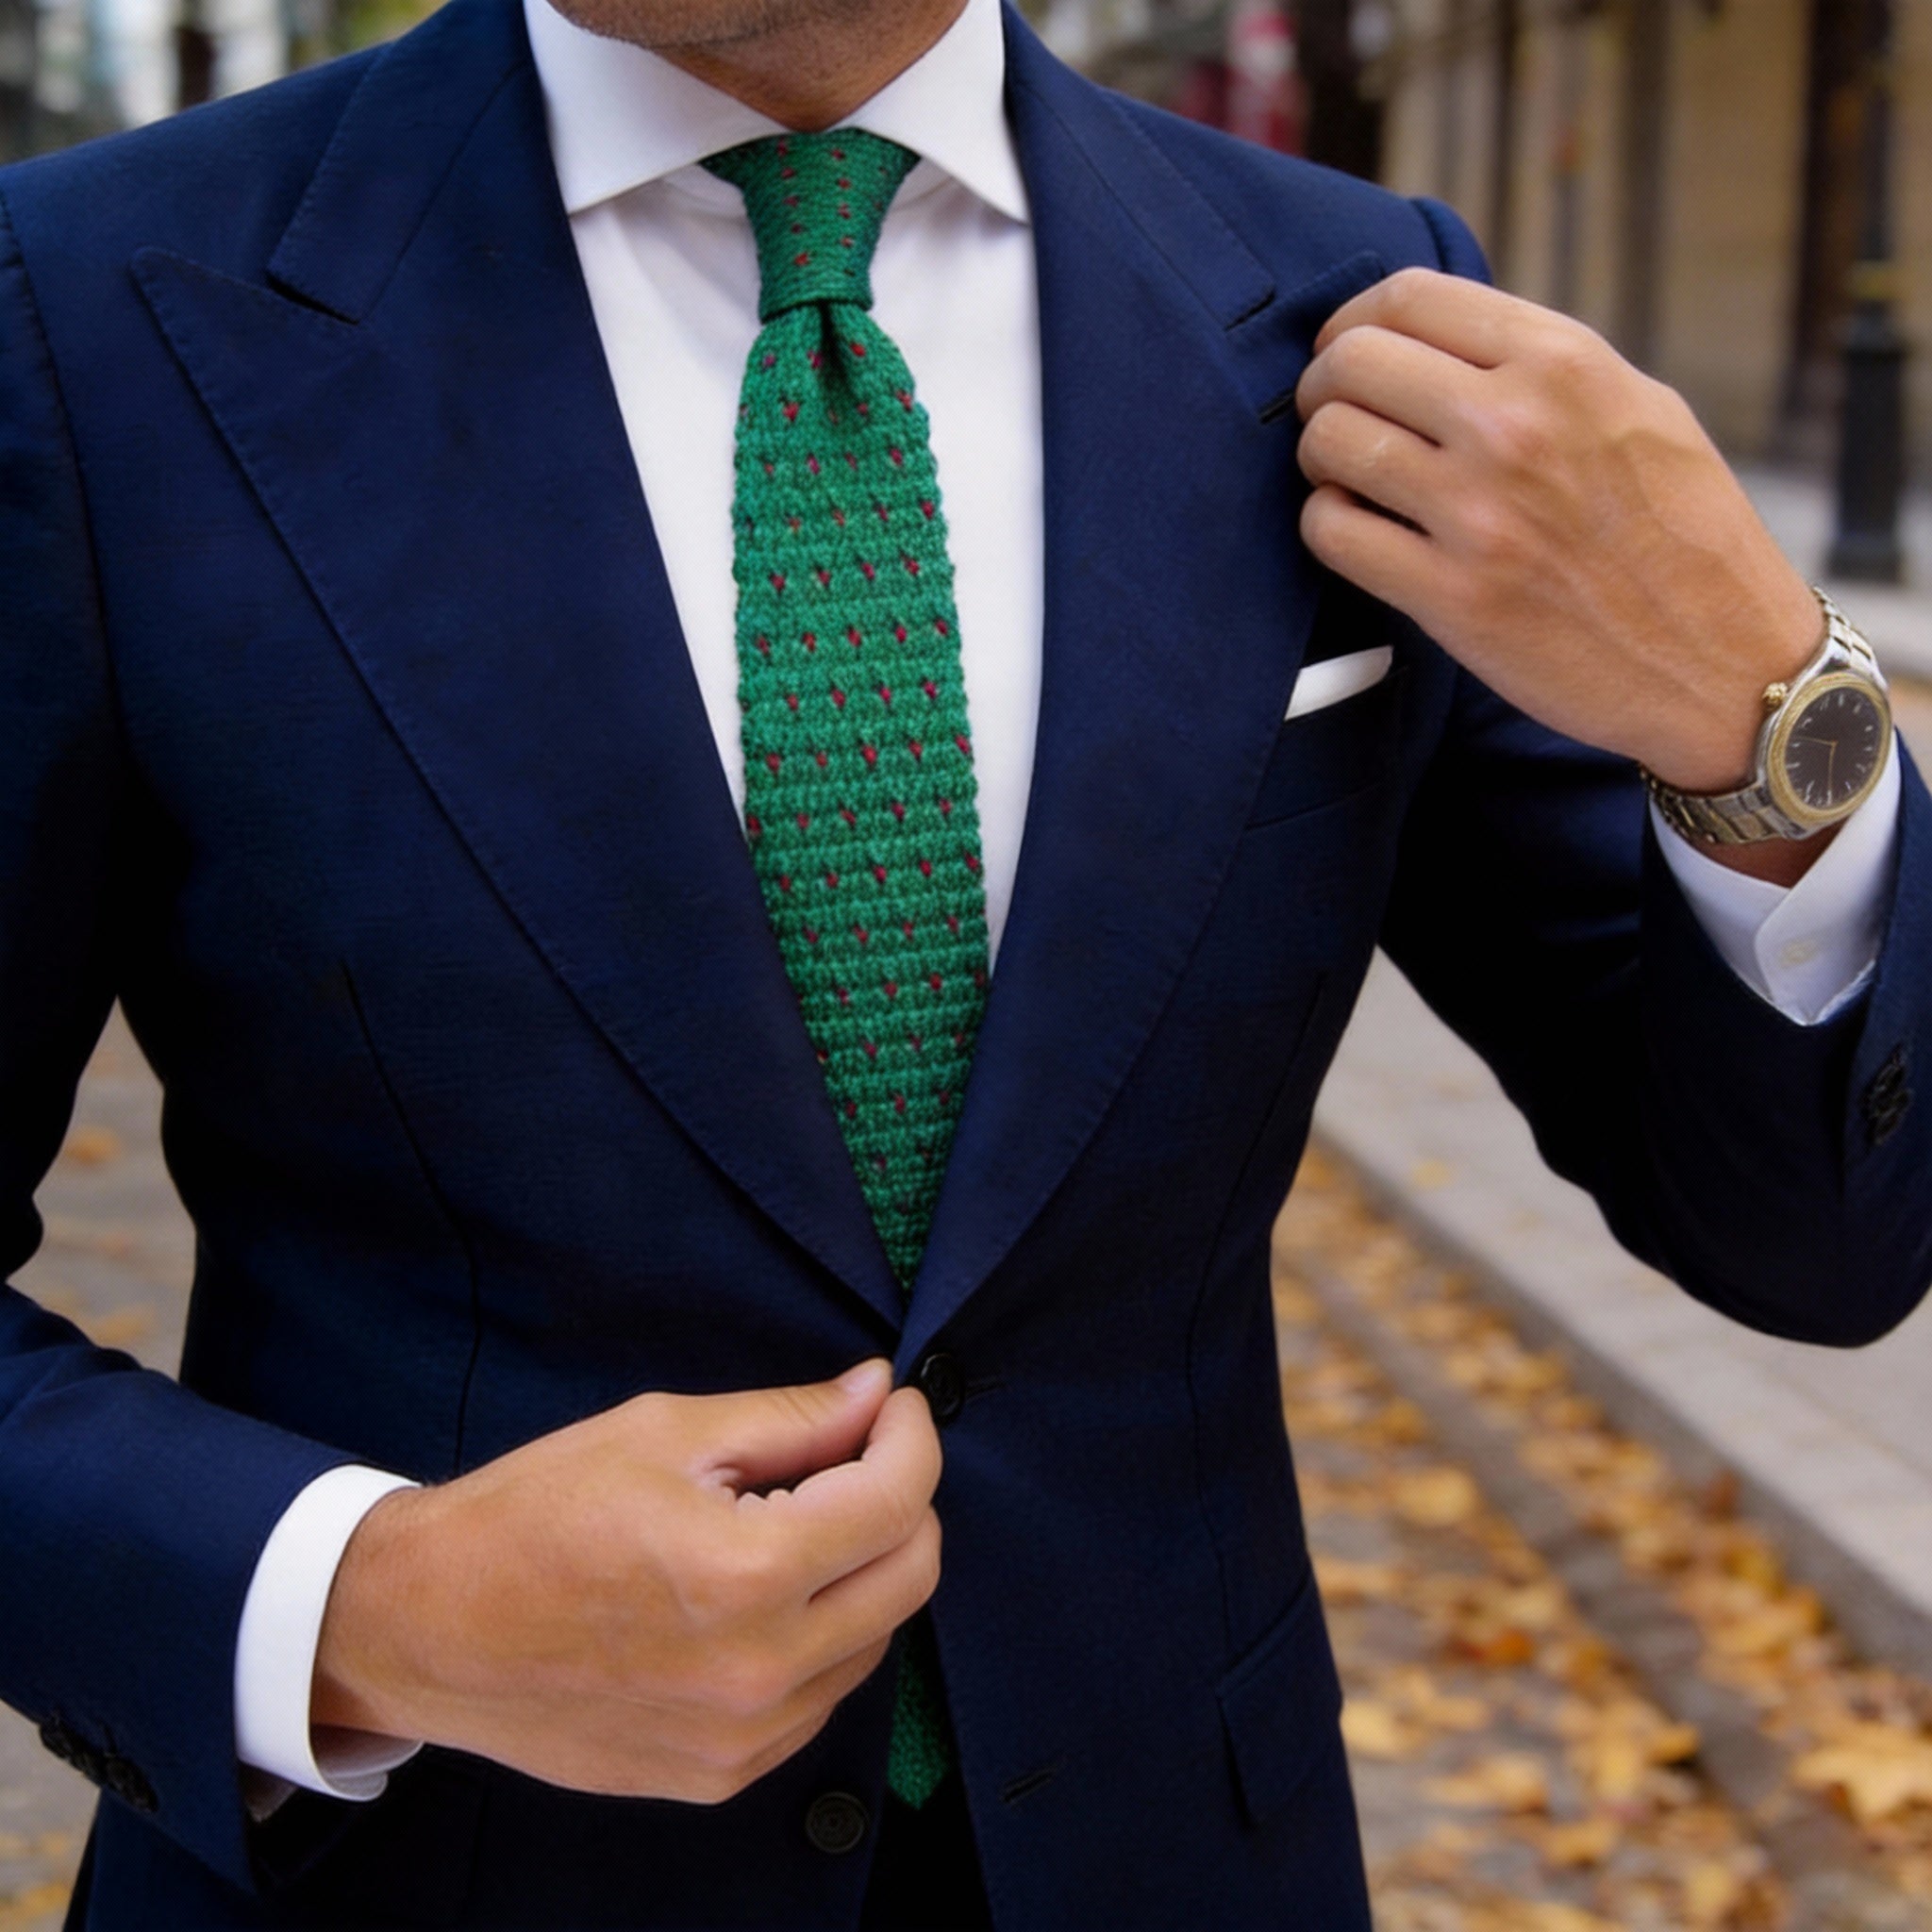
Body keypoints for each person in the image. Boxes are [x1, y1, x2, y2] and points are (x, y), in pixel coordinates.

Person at [0, 0, 1924, 1922]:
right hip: (406, 1867)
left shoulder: (1353, 303)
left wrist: (1763, 719)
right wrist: (358, 1606)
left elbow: (1809, 1234)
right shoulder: (86, 309)